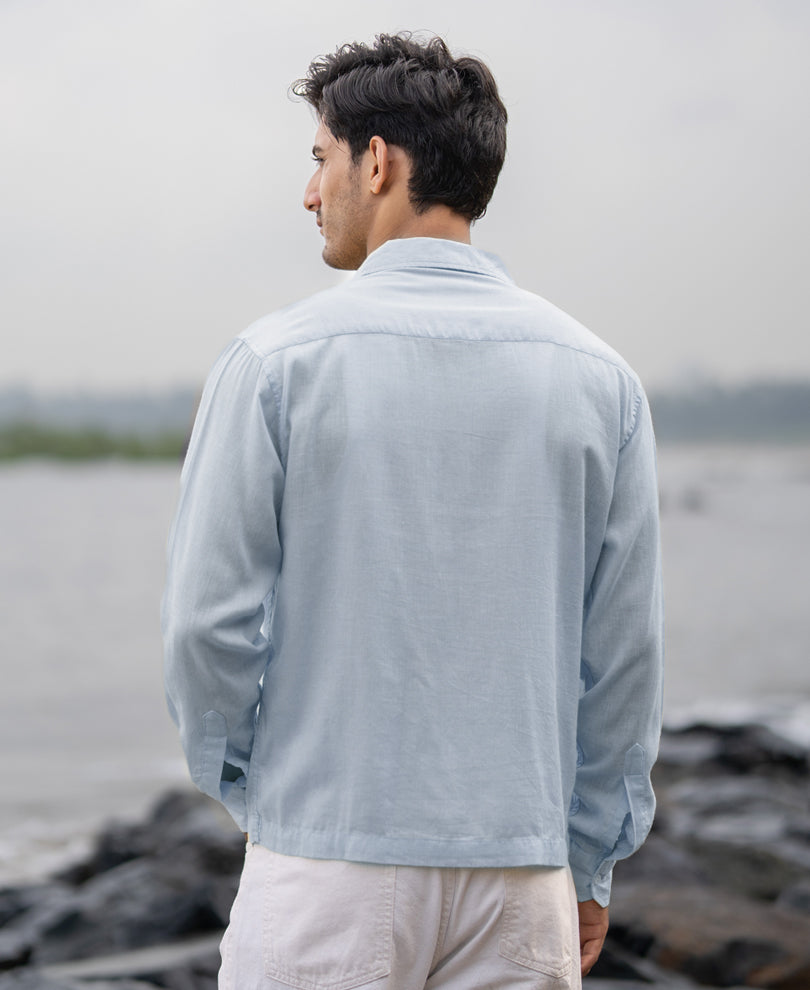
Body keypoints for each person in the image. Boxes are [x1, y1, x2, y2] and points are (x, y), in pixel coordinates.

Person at [162, 32, 663, 990]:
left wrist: (251, 787)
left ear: (378, 161)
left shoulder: (274, 364)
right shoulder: (603, 381)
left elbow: (204, 626)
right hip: (523, 876)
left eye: (319, 158)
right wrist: (589, 860)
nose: (310, 191)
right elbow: (626, 660)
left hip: (326, 862)